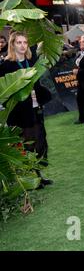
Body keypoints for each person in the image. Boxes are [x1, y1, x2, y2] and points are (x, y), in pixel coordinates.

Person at [0, 31, 53, 188]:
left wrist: (40, 97)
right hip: (18, 113)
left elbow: (37, 84)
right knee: (25, 145)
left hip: (35, 109)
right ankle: (31, 180)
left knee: (40, 143)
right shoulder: (6, 65)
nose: (22, 45)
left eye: (25, 42)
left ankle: (38, 176)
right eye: (19, 42)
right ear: (12, 44)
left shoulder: (32, 61)